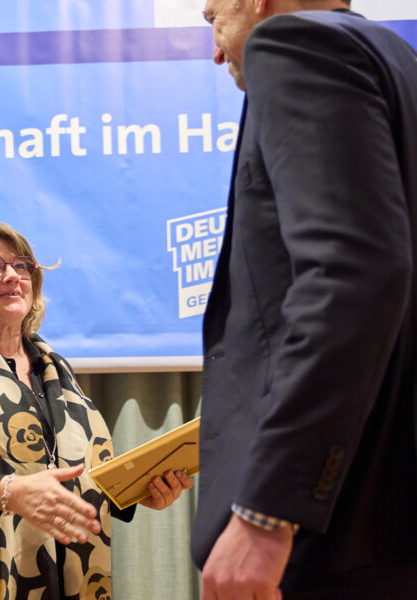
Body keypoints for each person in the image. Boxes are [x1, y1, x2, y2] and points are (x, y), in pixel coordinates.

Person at [195, 1, 417, 598]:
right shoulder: (400, 61)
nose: (214, 50)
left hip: (333, 538)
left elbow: (350, 275)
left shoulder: (296, 44)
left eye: (214, 19)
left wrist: (266, 512)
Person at [0, 220, 194, 599]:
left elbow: (69, 471)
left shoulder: (54, 369)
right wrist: (8, 492)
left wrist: (135, 491)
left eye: (22, 266)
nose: (13, 276)